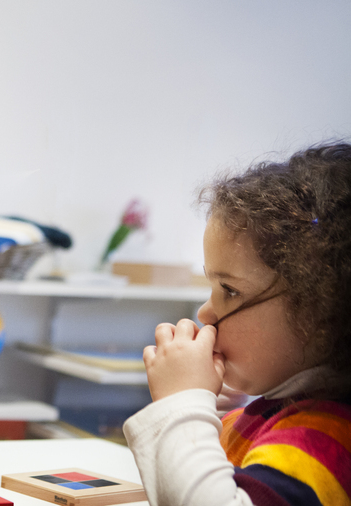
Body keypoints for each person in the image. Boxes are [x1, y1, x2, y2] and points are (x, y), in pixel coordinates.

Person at [123, 142, 351, 505]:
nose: (205, 313)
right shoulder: (283, 415)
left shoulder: (322, 441)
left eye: (229, 290)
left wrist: (182, 405)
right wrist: (219, 414)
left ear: (321, 311)